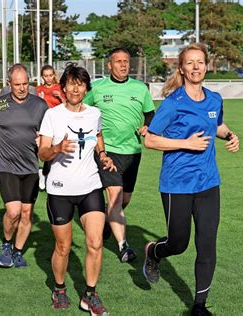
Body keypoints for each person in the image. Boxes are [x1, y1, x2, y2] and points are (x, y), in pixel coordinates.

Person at [142, 43, 240, 316]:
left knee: (207, 243)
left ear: (206, 66)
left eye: (200, 62)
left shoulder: (214, 100)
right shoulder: (173, 103)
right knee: (179, 243)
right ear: (182, 69)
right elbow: (150, 139)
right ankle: (154, 252)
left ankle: (199, 306)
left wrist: (230, 135)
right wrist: (185, 142)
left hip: (208, 183)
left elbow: (217, 125)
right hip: (177, 185)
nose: (196, 67)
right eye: (190, 63)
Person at [38, 64, 116, 315]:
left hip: (90, 186)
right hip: (60, 189)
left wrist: (102, 154)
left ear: (86, 88)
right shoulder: (53, 115)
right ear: (63, 87)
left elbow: (98, 135)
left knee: (95, 242)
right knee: (63, 246)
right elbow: (42, 151)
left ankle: (90, 294)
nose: (75, 88)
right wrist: (57, 149)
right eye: (71, 83)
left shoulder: (94, 113)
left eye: (80, 84)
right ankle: (59, 288)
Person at [83, 47, 155, 263]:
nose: (123, 65)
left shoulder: (140, 88)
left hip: (132, 152)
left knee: (124, 200)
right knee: (114, 198)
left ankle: (105, 221)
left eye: (126, 61)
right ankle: (124, 247)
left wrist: (147, 127)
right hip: (107, 151)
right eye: (118, 61)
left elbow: (150, 114)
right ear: (109, 65)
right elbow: (82, 110)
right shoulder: (97, 88)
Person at [0, 64, 48, 268]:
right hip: (6, 165)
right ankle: (7, 244)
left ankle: (18, 252)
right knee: (13, 212)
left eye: (25, 84)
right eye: (17, 84)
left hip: (30, 167)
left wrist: (42, 141)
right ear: (9, 83)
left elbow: (49, 131)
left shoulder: (40, 105)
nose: (21, 88)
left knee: (27, 213)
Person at [36, 65, 66, 190]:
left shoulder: (59, 88)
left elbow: (68, 104)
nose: (48, 78)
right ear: (42, 77)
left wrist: (60, 96)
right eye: (45, 76)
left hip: (59, 123)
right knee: (46, 149)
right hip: (44, 124)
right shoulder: (38, 89)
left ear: (54, 75)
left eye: (50, 75)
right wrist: (40, 100)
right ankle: (44, 175)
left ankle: (45, 174)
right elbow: (34, 107)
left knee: (56, 150)